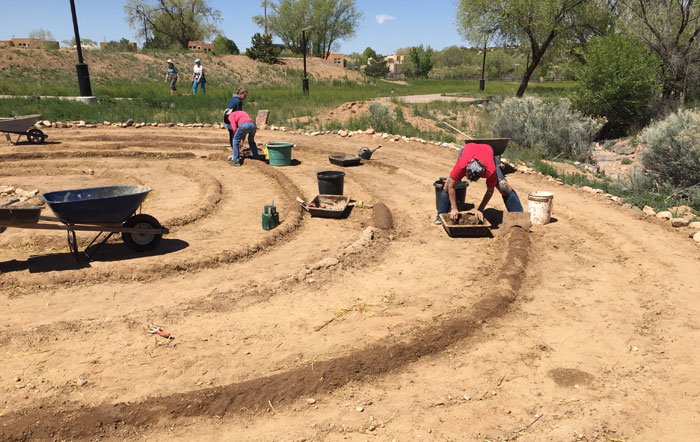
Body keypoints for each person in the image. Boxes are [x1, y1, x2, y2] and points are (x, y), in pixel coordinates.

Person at [435, 142, 524, 224]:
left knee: (504, 187)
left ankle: (520, 218)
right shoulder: (462, 165)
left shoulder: (490, 169)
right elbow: (452, 186)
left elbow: (490, 191)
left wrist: (480, 209)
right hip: (468, 149)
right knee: (448, 184)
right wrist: (454, 208)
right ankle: (440, 215)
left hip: (487, 152)